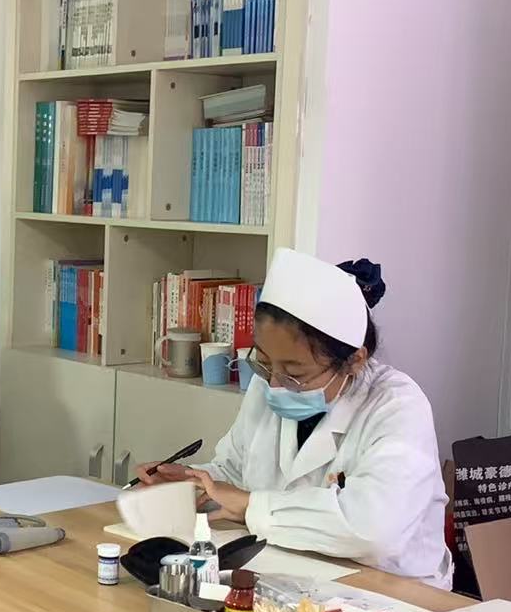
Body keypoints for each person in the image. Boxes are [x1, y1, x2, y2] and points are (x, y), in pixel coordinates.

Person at [135, 249, 449, 586]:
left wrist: (250, 507)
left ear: (355, 361)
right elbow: (235, 472)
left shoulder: (397, 407)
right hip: (292, 573)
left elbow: (374, 531)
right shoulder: (269, 384)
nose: (273, 384)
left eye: (294, 373)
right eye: (264, 362)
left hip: (393, 591)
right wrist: (193, 484)